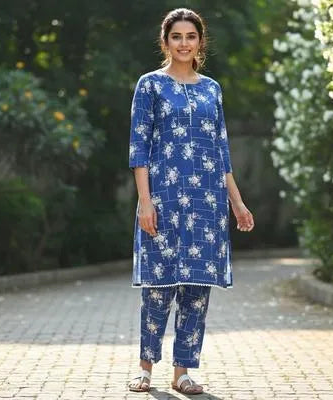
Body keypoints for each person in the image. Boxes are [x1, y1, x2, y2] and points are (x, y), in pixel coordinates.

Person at [127, 7, 255, 395]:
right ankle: (145, 369)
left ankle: (182, 373)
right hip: (163, 200)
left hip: (206, 204)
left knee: (197, 291)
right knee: (158, 287)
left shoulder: (212, 89)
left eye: (191, 36)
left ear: (200, 42)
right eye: (177, 36)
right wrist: (145, 201)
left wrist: (237, 203)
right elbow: (138, 148)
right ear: (165, 41)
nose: (184, 43)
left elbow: (221, 151)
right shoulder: (150, 86)